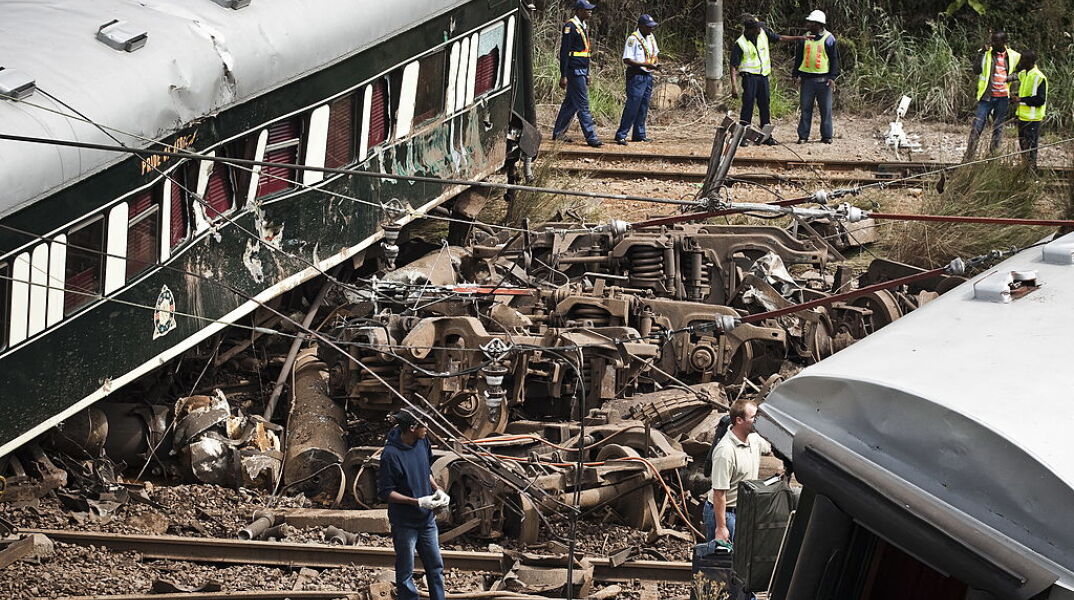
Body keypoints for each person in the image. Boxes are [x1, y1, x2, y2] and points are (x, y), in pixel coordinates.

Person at [378, 409, 450, 600]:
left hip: (426, 520)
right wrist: (417, 501)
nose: (427, 428)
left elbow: (426, 470)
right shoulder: (390, 455)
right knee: (405, 574)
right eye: (423, 424)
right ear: (411, 428)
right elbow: (386, 492)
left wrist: (437, 489)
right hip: (405, 524)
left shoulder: (422, 442)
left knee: (436, 568)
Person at [730, 15, 808, 146]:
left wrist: (799, 38)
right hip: (749, 78)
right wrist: (734, 86)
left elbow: (780, 38)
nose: (760, 29)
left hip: (763, 77)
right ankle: (743, 136)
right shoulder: (740, 43)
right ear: (750, 30)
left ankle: (766, 136)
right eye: (757, 28)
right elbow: (733, 65)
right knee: (747, 105)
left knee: (764, 105)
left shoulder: (764, 34)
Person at [705, 399, 770, 545]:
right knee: (722, 562)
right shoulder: (725, 451)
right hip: (725, 513)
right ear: (739, 420)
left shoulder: (755, 440)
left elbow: (770, 448)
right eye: (754, 417)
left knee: (740, 561)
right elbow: (719, 493)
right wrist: (721, 527)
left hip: (743, 511)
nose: (758, 420)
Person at [964, 31, 1021, 161]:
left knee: (998, 128)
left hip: (1002, 98)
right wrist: (981, 53)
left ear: (1004, 42)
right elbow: (976, 70)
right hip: (986, 97)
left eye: (996, 41)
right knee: (977, 127)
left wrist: (1011, 77)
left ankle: (993, 157)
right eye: (992, 40)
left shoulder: (1014, 56)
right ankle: (969, 157)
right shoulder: (986, 54)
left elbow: (1023, 70)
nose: (992, 44)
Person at [552, 0, 602, 148]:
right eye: (587, 10)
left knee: (571, 103)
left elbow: (585, 54)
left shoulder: (583, 26)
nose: (590, 12)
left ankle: (558, 132)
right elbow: (564, 52)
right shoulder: (570, 27)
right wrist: (563, 74)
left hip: (581, 70)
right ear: (579, 11)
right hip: (574, 71)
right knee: (583, 104)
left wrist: (587, 72)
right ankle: (591, 137)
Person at [792, 10, 839, 144]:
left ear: (818, 24)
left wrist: (832, 77)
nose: (808, 24)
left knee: (826, 110)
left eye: (811, 23)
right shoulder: (804, 38)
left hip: (824, 81)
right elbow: (799, 58)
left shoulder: (829, 39)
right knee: (805, 109)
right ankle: (803, 136)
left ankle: (827, 136)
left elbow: (834, 60)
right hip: (807, 80)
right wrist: (795, 74)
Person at [614, 14, 661, 145]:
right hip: (636, 75)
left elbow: (655, 53)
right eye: (648, 27)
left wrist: (655, 64)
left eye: (652, 27)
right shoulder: (633, 39)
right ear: (640, 26)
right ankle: (621, 134)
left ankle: (639, 134)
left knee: (643, 106)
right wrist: (646, 65)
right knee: (632, 106)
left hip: (648, 75)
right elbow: (627, 59)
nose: (651, 29)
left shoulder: (651, 37)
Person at [1014, 51, 1047, 170]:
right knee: (1023, 146)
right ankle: (1025, 169)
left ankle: (1032, 171)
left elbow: (1040, 100)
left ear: (1029, 62)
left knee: (1031, 148)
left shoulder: (1039, 77)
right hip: (1022, 117)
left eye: (1023, 59)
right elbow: (1025, 92)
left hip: (1033, 119)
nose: (1021, 62)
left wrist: (1021, 99)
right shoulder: (1024, 74)